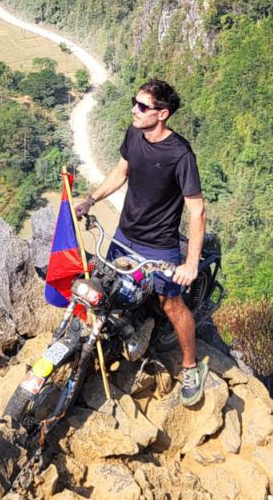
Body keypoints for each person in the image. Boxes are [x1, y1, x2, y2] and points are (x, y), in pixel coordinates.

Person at [75, 78, 209, 406]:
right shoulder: (135, 133)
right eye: (134, 103)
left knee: (171, 304)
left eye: (143, 107)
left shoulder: (180, 155)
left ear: (162, 114)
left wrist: (190, 263)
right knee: (105, 290)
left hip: (159, 245)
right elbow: (121, 173)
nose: (135, 110)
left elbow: (197, 211)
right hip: (125, 235)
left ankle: (191, 366)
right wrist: (91, 200)